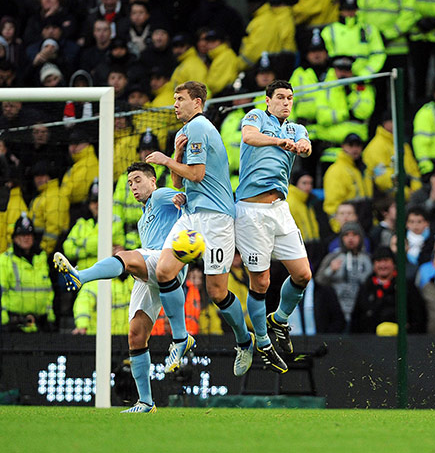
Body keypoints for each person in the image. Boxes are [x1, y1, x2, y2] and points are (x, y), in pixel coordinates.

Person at [53, 162, 183, 412]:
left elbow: (185, 199)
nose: (133, 187)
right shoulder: (144, 218)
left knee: (127, 256)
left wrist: (182, 199)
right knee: (135, 335)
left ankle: (81, 275)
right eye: (130, 183)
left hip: (170, 261)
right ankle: (146, 401)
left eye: (137, 180)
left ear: (152, 180)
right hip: (151, 273)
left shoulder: (160, 194)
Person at [145, 81, 252, 377]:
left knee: (217, 292)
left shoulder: (200, 127)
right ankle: (181, 338)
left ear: (198, 103)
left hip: (216, 218)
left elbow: (198, 173)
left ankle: (244, 341)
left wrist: (165, 159)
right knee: (164, 271)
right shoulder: (184, 133)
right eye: (174, 99)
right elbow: (180, 182)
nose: (175, 104)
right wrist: (175, 156)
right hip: (191, 215)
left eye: (180, 99)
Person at [234, 79, 313, 372]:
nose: (286, 102)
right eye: (280, 97)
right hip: (251, 212)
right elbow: (250, 137)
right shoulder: (255, 117)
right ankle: (263, 343)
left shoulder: (296, 128)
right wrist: (277, 141)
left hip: (280, 209)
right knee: (262, 282)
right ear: (268, 100)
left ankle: (278, 320)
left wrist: (304, 146)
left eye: (290, 98)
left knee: (303, 274)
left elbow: (305, 146)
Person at [0, 215, 55, 333]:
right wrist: (4, 322)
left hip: (40, 326)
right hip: (13, 327)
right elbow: (1, 293)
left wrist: (50, 318)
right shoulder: (5, 260)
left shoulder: (41, 259)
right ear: (14, 238)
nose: (26, 238)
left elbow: (49, 291)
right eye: (22, 235)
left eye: (29, 235)